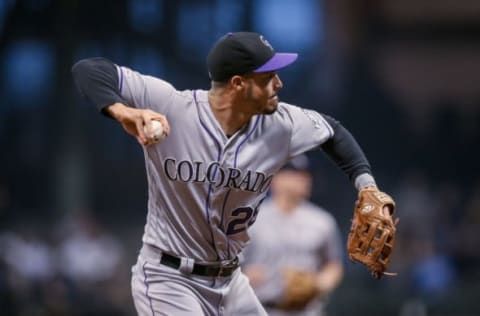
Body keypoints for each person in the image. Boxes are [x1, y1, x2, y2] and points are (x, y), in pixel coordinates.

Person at [72, 32, 391, 316]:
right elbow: (88, 69)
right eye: (268, 76)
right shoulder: (171, 105)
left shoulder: (281, 123)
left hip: (231, 282)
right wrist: (123, 110)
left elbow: (333, 132)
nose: (279, 84)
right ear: (238, 84)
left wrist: (366, 185)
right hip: (169, 278)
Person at [242, 154, 344, 316]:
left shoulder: (322, 221)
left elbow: (333, 264)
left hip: (307, 311)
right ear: (276, 179)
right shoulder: (251, 219)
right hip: (260, 309)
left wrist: (320, 283)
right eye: (296, 174)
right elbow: (227, 265)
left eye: (306, 175)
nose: (305, 179)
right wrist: (244, 275)